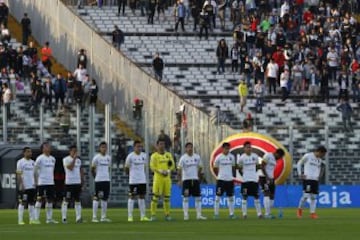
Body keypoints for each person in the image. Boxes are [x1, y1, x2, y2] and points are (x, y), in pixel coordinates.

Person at [177, 142, 207, 220]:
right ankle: (186, 215)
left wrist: (199, 176)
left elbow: (200, 167)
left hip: (195, 180)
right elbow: (179, 169)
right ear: (186, 149)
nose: (190, 149)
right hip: (186, 180)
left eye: (191, 147)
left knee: (198, 198)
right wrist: (179, 180)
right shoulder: (183, 158)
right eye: (188, 147)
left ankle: (199, 215)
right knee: (185, 198)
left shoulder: (197, 157)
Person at [296, 146, 327, 219]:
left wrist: (319, 176)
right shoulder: (308, 156)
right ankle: (299, 209)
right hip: (308, 179)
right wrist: (300, 173)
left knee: (313, 197)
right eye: (323, 154)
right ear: (319, 152)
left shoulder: (319, 160)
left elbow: (322, 168)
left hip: (315, 180)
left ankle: (312, 213)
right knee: (305, 196)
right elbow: (299, 163)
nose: (323, 156)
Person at [125, 140, 150, 222]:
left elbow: (145, 166)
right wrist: (131, 175)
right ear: (134, 147)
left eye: (140, 146)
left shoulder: (144, 156)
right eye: (138, 146)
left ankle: (143, 216)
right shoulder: (130, 156)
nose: (139, 148)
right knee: (132, 197)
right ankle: (130, 216)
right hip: (133, 180)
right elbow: (126, 168)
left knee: (142, 197)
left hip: (142, 180)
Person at [150, 139, 175, 221]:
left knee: (167, 198)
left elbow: (172, 165)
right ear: (157, 146)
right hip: (158, 179)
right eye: (160, 144)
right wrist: (160, 171)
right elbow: (152, 166)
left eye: (163, 144)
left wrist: (167, 171)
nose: (162, 146)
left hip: (167, 179)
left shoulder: (168, 155)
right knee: (155, 197)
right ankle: (153, 215)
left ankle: (167, 215)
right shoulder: (154, 156)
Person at [34, 142, 58, 224]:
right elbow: (35, 170)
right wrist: (37, 180)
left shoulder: (53, 159)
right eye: (47, 147)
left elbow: (52, 170)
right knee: (39, 199)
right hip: (42, 182)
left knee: (50, 200)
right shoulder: (40, 158)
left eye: (49, 146)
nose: (49, 148)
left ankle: (49, 219)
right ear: (43, 149)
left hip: (50, 182)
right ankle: (36, 218)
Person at [237, 141, 262, 219]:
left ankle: (259, 214)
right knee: (244, 197)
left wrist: (253, 173)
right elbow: (239, 168)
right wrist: (244, 174)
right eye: (247, 147)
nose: (249, 148)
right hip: (245, 181)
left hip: (254, 180)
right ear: (244, 148)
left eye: (250, 147)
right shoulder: (241, 158)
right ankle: (244, 214)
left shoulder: (255, 156)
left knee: (256, 197)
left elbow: (258, 166)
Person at [61, 145, 84, 224]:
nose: (75, 152)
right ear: (70, 151)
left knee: (77, 200)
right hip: (69, 183)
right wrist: (74, 158)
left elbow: (81, 171)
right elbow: (70, 168)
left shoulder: (79, 160)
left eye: (76, 151)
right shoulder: (66, 159)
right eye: (73, 151)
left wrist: (82, 181)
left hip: (77, 183)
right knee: (66, 200)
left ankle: (78, 217)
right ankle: (64, 217)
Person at [213, 142, 236, 219]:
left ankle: (231, 214)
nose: (227, 150)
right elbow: (215, 168)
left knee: (231, 197)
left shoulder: (232, 157)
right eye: (226, 148)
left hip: (230, 180)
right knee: (217, 197)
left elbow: (233, 168)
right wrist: (218, 176)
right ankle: (216, 214)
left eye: (228, 148)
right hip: (221, 180)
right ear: (222, 149)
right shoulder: (218, 157)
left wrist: (232, 176)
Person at [259, 149, 285, 219]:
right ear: (277, 153)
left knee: (272, 196)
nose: (279, 158)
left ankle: (269, 213)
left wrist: (272, 178)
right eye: (280, 156)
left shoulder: (274, 159)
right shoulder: (268, 155)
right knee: (266, 194)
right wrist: (267, 177)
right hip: (264, 177)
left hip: (271, 178)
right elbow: (262, 166)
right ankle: (267, 214)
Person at [91, 141, 112, 223]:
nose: (104, 149)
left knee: (105, 198)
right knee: (96, 198)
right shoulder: (96, 158)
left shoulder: (108, 158)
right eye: (102, 147)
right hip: (99, 180)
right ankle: (94, 217)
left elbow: (109, 168)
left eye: (105, 147)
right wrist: (96, 177)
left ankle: (103, 217)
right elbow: (92, 169)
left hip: (106, 180)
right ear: (100, 148)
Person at [16, 147, 37, 225]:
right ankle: (20, 220)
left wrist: (35, 182)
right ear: (24, 153)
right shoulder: (20, 162)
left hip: (32, 186)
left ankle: (32, 219)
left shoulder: (33, 162)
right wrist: (21, 184)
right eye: (28, 152)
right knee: (23, 202)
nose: (30, 153)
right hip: (25, 186)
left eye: (30, 152)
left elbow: (34, 173)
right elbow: (19, 174)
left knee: (31, 203)